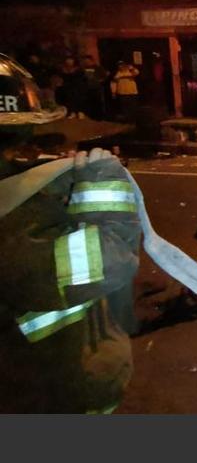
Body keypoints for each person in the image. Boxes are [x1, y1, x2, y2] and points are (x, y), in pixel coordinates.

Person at [0, 53, 141, 413]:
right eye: (22, 143)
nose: (33, 157)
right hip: (46, 401)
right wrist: (103, 192)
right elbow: (111, 259)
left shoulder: (22, 206)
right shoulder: (14, 230)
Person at [81, 55, 109, 120]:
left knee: (98, 102)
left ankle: (100, 117)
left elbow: (104, 76)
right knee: (91, 102)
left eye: (88, 61)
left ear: (91, 60)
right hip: (88, 88)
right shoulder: (84, 69)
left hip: (97, 88)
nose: (86, 62)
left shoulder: (97, 67)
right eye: (85, 61)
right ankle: (93, 116)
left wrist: (99, 81)